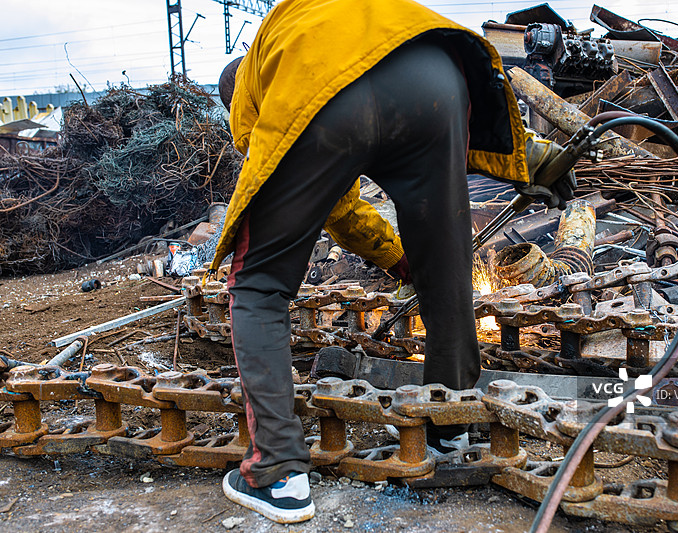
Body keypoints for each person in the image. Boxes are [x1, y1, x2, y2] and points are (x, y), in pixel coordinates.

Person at [210, 0, 573, 524]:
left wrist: (389, 255)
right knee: (446, 275)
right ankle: (450, 426)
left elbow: (330, 203)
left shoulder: (259, 82)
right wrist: (407, 260)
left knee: (258, 284)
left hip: (329, 91)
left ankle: (277, 475)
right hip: (437, 77)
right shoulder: (311, 18)